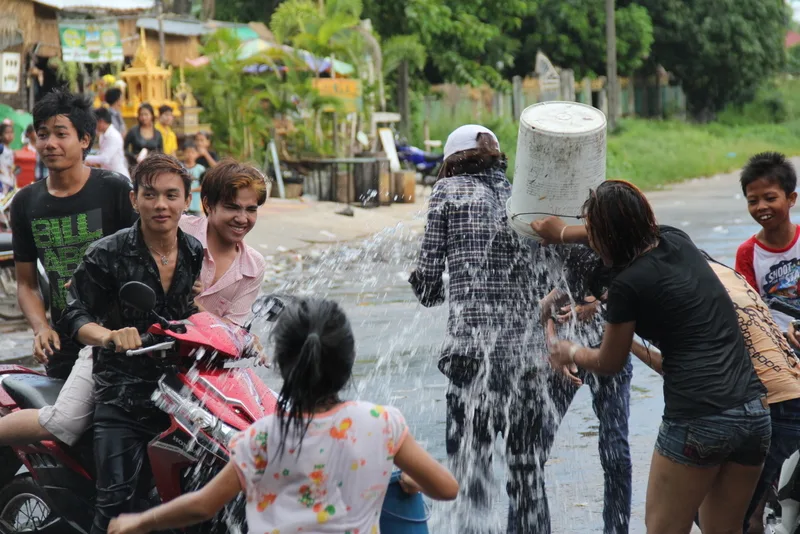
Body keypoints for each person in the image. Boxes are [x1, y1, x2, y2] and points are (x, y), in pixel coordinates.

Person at [106, 297, 459, 534]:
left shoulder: (260, 440)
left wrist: (137, 522)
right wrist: (412, 479)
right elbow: (447, 488)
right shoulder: (384, 424)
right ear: (349, 362)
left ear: (282, 364)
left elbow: (201, 506)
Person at [534, 180, 770, 533]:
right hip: (753, 415)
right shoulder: (676, 240)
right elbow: (625, 230)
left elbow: (608, 363)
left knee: (663, 529)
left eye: (593, 231)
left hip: (698, 419)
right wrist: (567, 233)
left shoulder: (629, 284)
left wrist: (569, 350)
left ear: (604, 236)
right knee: (724, 530)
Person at [409, 125, 551, 533]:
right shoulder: (518, 197)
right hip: (527, 357)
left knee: (470, 470)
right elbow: (543, 278)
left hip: (471, 355)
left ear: (452, 161)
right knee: (527, 472)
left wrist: (421, 280)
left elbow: (429, 286)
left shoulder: (447, 193)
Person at [59, 153, 203, 534]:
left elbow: (193, 312)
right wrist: (108, 335)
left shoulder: (193, 251)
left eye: (172, 195)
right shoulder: (105, 253)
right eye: (150, 194)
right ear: (133, 199)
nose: (161, 205)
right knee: (115, 502)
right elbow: (74, 315)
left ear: (186, 199)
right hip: (121, 395)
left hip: (178, 396)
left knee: (196, 495)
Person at [0, 89, 136, 449]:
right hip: (65, 343)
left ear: (85, 139)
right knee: (68, 440)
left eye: (61, 133)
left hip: (121, 338)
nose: (50, 143)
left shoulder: (115, 190)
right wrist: (40, 327)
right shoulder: (27, 202)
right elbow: (27, 283)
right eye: (42, 133)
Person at [628, 253, 800, 534]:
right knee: (739, 513)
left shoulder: (686, 292)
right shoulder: (728, 278)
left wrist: (626, 343)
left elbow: (683, 368)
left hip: (769, 402)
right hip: (788, 392)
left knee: (720, 515)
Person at [537, 244, 633, 534]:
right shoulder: (538, 230)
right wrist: (554, 347)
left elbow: (630, 284)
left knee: (615, 452)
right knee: (531, 451)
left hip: (609, 349)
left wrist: (599, 303)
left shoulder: (605, 225)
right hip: (559, 354)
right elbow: (541, 305)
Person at [180, 160, 266, 325]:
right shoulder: (180, 230)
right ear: (208, 205)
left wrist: (192, 305)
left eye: (251, 209)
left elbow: (233, 333)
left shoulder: (254, 267)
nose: (242, 219)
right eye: (232, 207)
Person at [736, 152, 799, 333]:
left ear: (791, 198)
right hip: (774, 340)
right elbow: (748, 309)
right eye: (753, 201)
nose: (761, 207)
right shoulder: (747, 253)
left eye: (770, 198)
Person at [86, 107, 129, 179]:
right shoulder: (103, 135)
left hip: (119, 176)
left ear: (101, 121)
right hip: (109, 174)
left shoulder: (113, 136)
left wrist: (86, 158)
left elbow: (105, 158)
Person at [182, 141, 204, 215]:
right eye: (187, 152)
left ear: (197, 154)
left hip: (196, 205)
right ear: (183, 153)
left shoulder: (201, 169)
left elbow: (204, 186)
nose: (189, 155)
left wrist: (189, 190)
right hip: (182, 205)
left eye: (192, 152)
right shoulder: (180, 168)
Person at [0, 123, 15, 194]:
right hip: (2, 181)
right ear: (0, 136)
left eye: (11, 132)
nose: (10, 135)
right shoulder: (1, 148)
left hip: (9, 181)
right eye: (7, 132)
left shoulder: (10, 150)